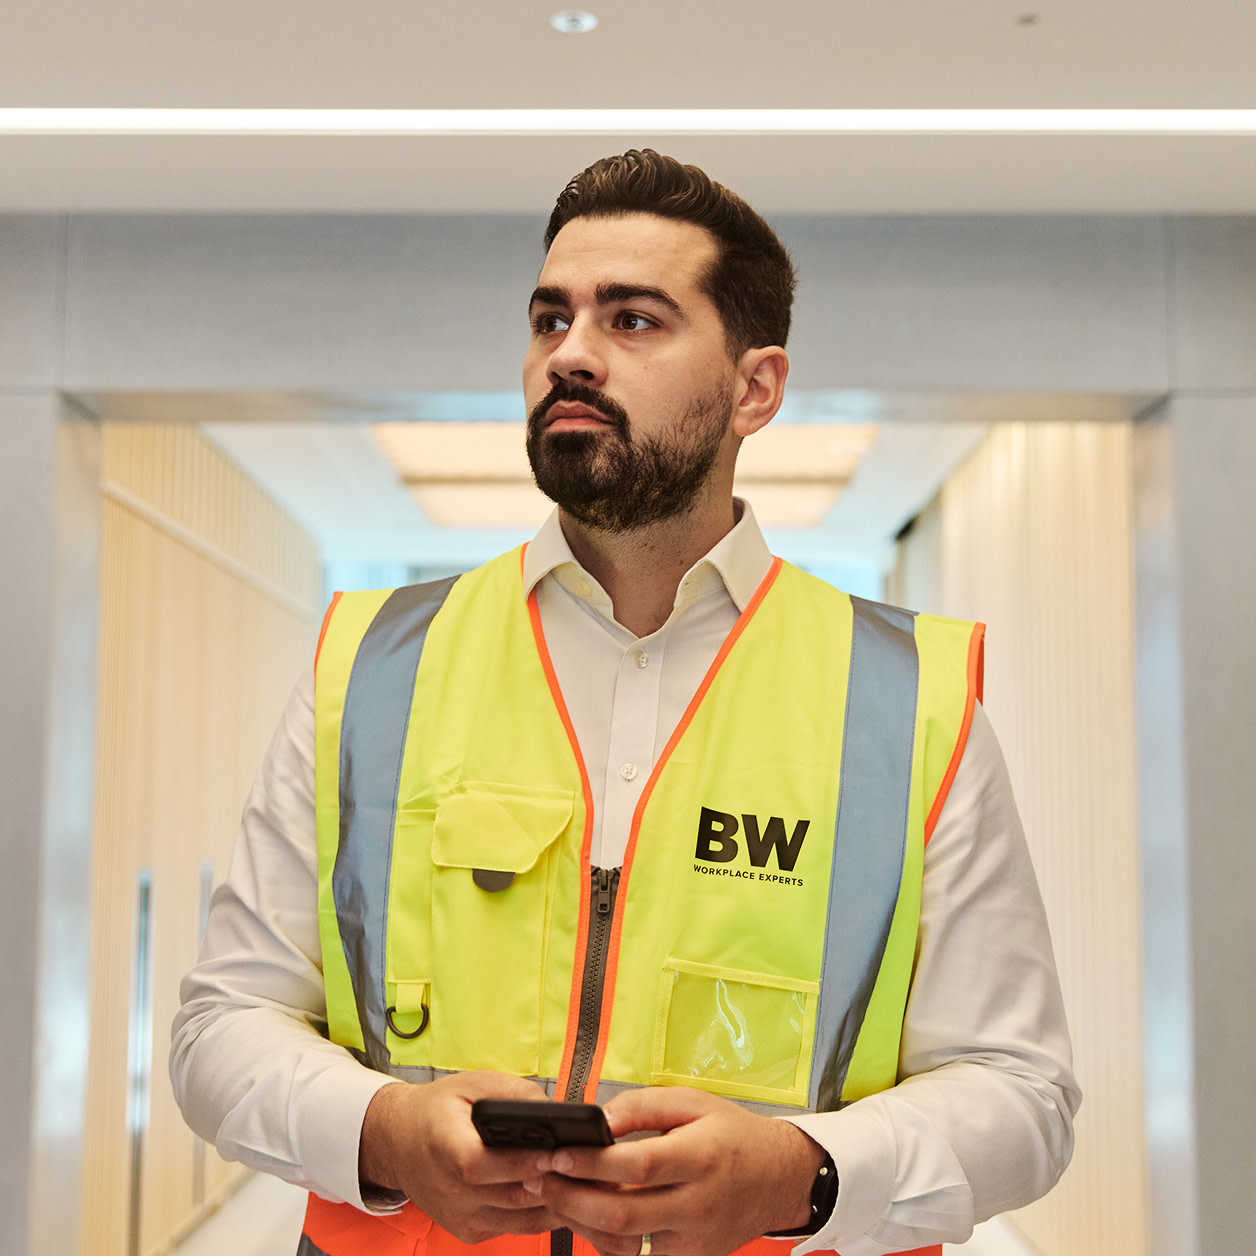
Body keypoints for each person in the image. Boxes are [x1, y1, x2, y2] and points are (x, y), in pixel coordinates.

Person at [171, 150, 1079, 1256]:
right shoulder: (370, 667)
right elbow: (221, 1028)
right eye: (549, 319)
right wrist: (383, 1130)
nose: (570, 353)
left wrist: (801, 1174)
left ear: (754, 388)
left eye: (633, 319)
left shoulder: (909, 701)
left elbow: (1020, 1093)